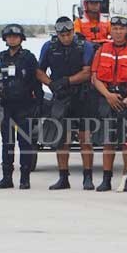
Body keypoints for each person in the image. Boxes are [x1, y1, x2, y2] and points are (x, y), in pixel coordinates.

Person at [91, 15, 127, 192]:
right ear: (111, 30)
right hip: (108, 97)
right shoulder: (102, 50)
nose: (118, 32)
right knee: (108, 140)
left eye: (122, 29)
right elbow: (95, 77)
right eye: (115, 29)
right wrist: (108, 95)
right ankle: (106, 179)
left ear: (126, 31)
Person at [37, 17, 97, 190]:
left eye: (68, 34)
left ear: (73, 31)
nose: (65, 38)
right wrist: (51, 84)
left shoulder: (84, 46)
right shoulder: (49, 47)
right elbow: (39, 71)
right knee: (62, 140)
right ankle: (63, 178)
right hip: (61, 97)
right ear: (57, 34)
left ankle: (87, 177)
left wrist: (67, 81)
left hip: (82, 96)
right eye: (62, 35)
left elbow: (87, 72)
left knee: (85, 139)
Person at [0, 24, 42, 190]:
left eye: (15, 36)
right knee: (7, 143)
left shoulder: (28, 58)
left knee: (25, 143)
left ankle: (25, 178)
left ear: (21, 39)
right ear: (5, 39)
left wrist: (39, 105)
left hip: (24, 106)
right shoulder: (0, 58)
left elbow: (37, 82)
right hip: (5, 107)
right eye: (9, 36)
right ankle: (7, 177)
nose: (12, 39)